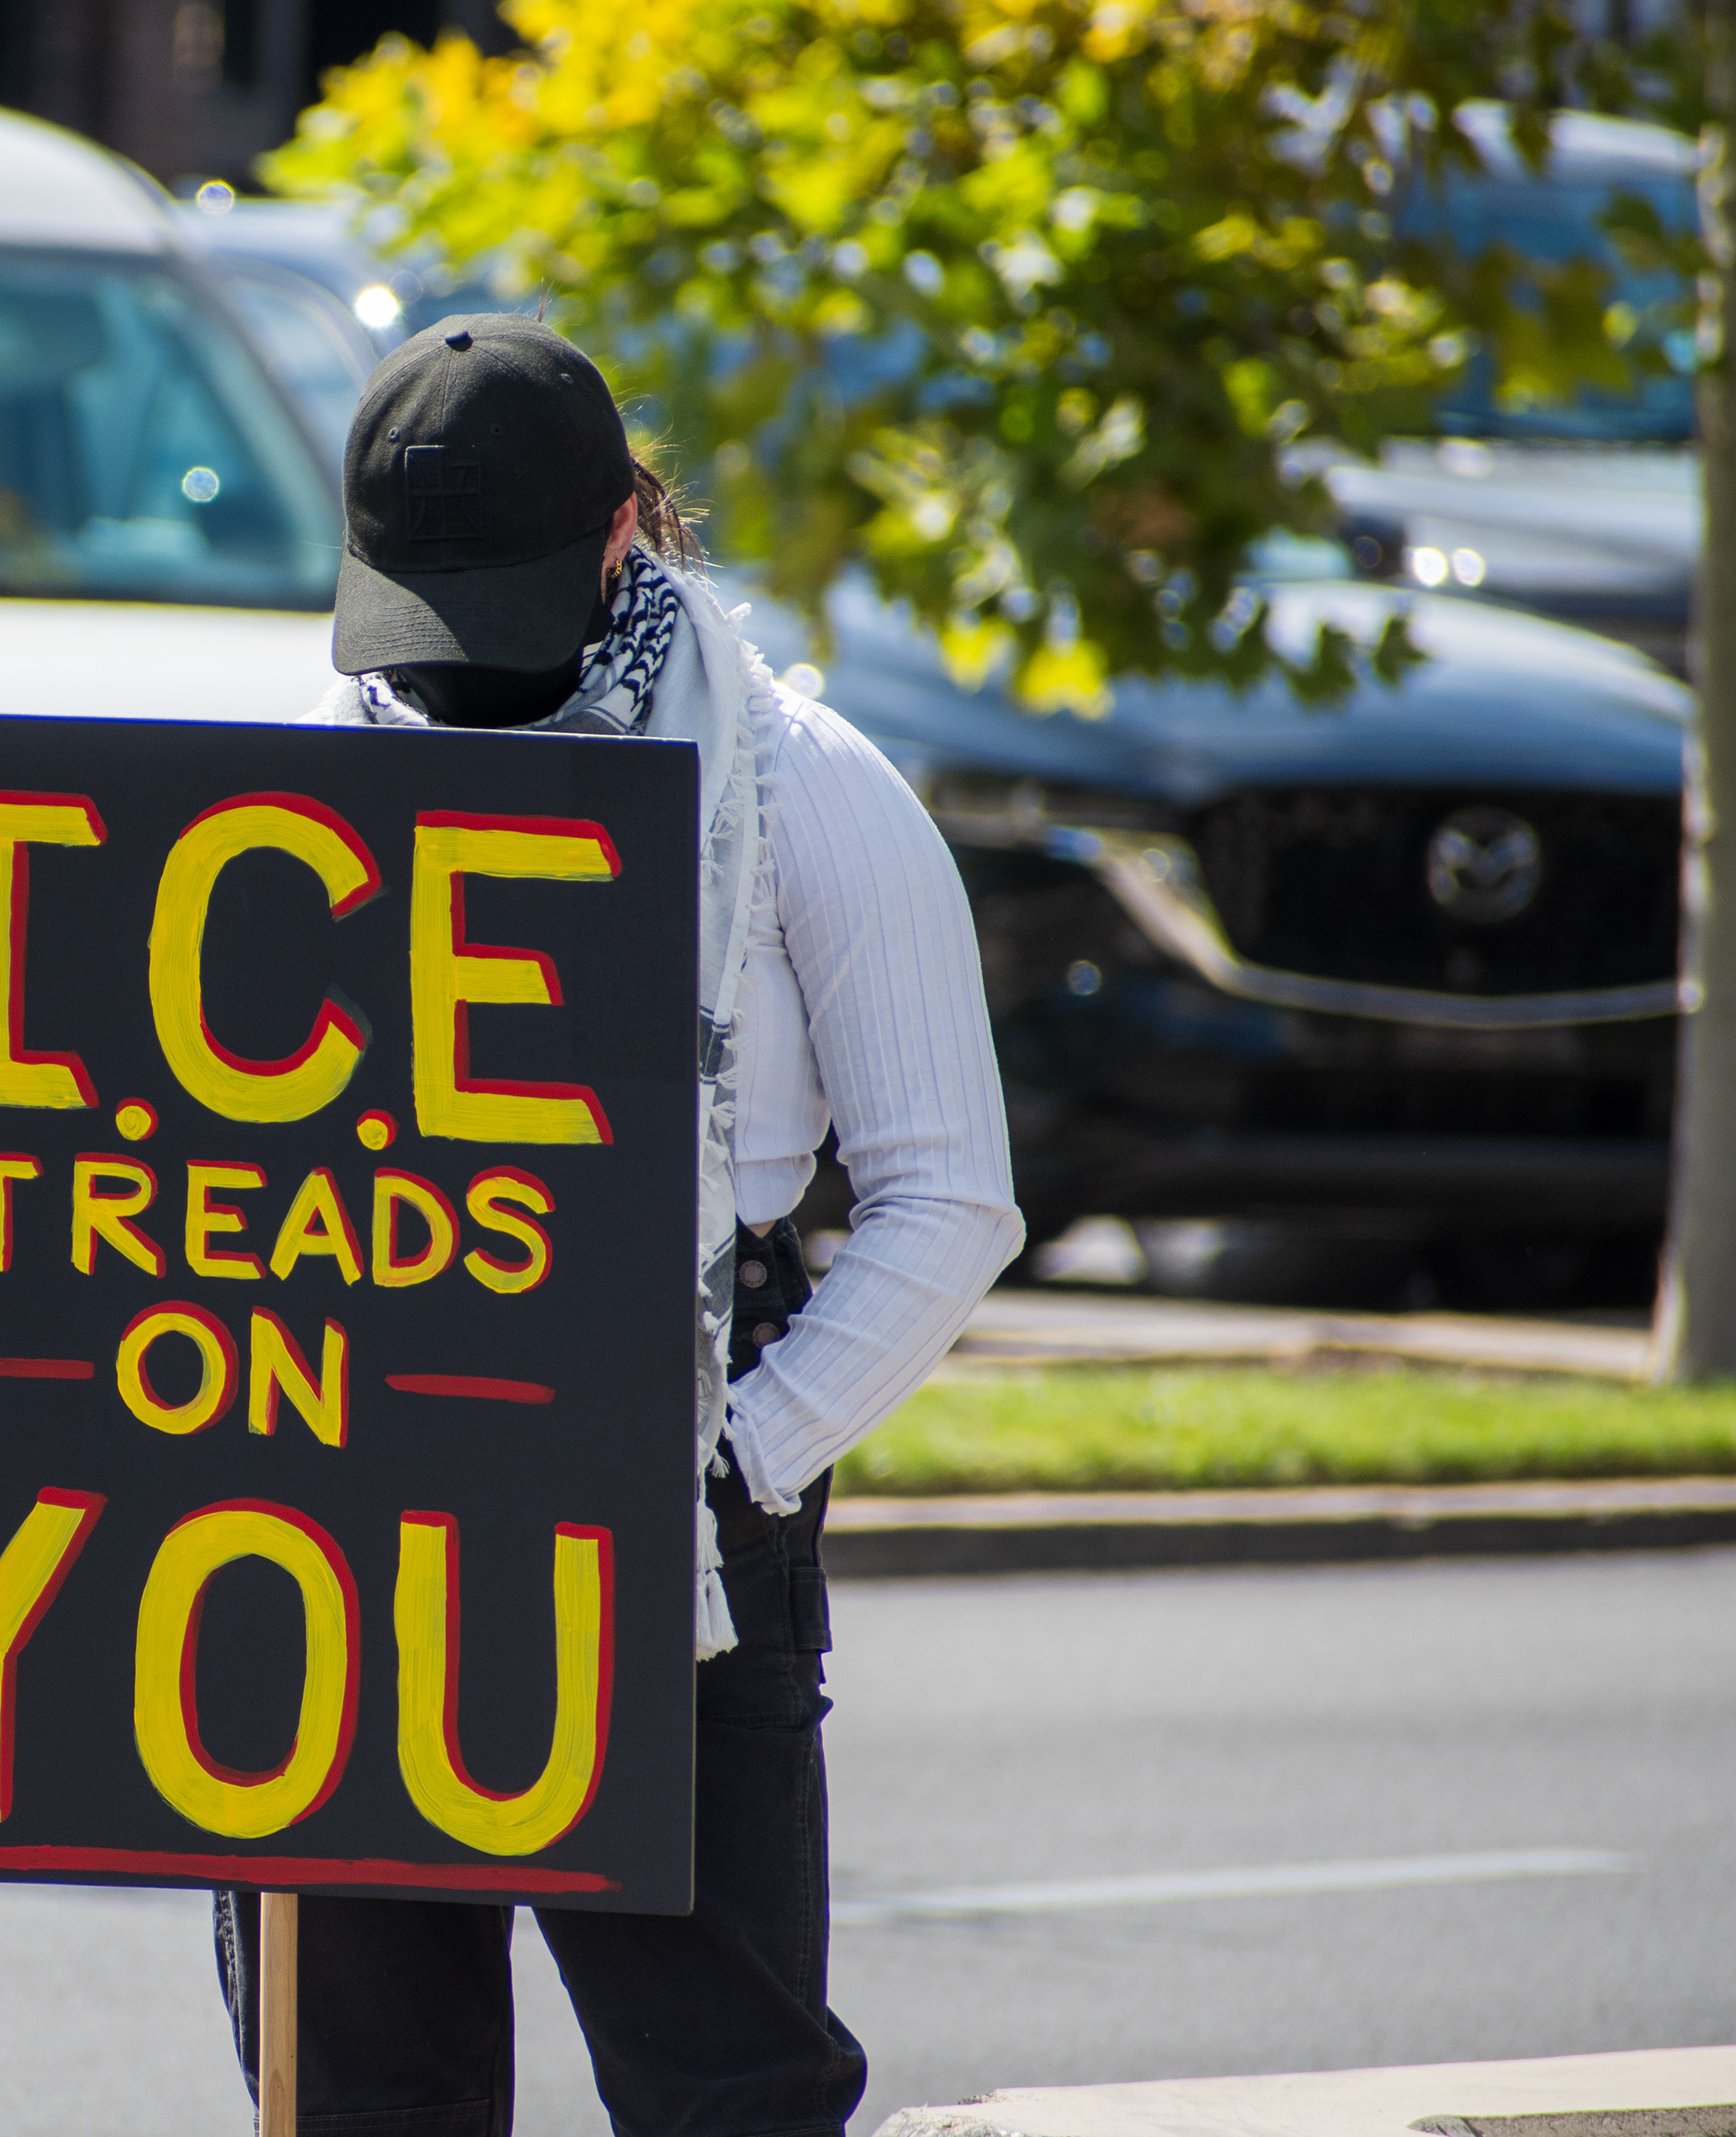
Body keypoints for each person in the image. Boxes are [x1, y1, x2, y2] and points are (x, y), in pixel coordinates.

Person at [214, 316, 1025, 2134]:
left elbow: (950, 1192)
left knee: (721, 2082)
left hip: (681, 1443)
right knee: (358, 2082)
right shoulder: (289, 760)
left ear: (623, 533)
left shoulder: (803, 783)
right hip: (346, 1438)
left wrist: (745, 1455)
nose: (451, 665)